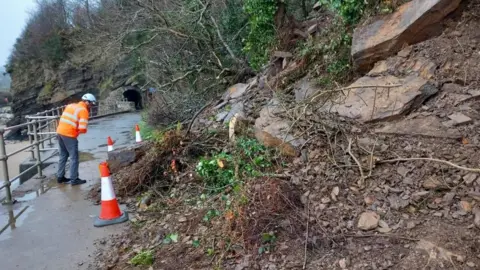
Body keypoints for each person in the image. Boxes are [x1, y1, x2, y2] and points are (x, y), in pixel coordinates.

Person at [56, 93, 96, 185]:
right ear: (87, 102)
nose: (91, 106)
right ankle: (74, 179)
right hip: (69, 134)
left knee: (63, 155)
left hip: (60, 132)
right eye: (91, 104)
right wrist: (77, 133)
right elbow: (82, 128)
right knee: (74, 158)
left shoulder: (70, 105)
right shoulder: (83, 111)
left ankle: (60, 177)